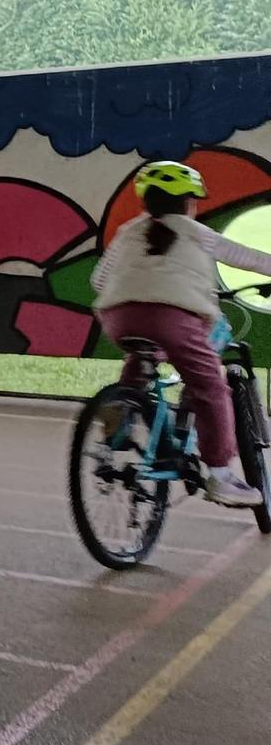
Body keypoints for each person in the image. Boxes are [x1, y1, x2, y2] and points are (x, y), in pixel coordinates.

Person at [92, 160, 271, 509]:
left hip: (118, 315)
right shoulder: (195, 231)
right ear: (189, 203)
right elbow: (243, 256)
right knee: (210, 386)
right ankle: (220, 475)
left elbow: (98, 280)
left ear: (146, 203)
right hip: (173, 316)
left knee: (145, 355)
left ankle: (122, 408)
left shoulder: (128, 231)